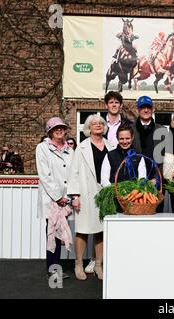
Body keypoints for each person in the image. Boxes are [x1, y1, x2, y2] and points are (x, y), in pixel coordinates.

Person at [67, 115, 115, 281]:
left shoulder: (111, 145)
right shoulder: (81, 148)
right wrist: (75, 196)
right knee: (82, 230)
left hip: (105, 194)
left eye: (101, 123)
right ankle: (79, 264)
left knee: (101, 230)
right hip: (86, 193)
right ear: (88, 128)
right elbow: (73, 173)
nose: (98, 125)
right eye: (94, 124)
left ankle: (98, 265)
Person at [35, 117, 74, 282]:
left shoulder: (70, 150)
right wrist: (58, 197)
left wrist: (68, 197)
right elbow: (45, 175)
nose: (59, 130)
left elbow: (73, 174)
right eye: (55, 128)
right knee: (52, 232)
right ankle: (52, 270)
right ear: (50, 131)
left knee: (60, 232)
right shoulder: (42, 148)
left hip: (65, 200)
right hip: (52, 200)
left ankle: (56, 267)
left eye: (62, 128)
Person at [132, 96, 168, 210]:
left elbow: (166, 157)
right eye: (143, 107)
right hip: (135, 183)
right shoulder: (130, 129)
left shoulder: (162, 130)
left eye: (148, 107)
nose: (146, 110)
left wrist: (157, 178)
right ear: (137, 110)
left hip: (156, 182)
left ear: (153, 110)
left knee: (157, 216)